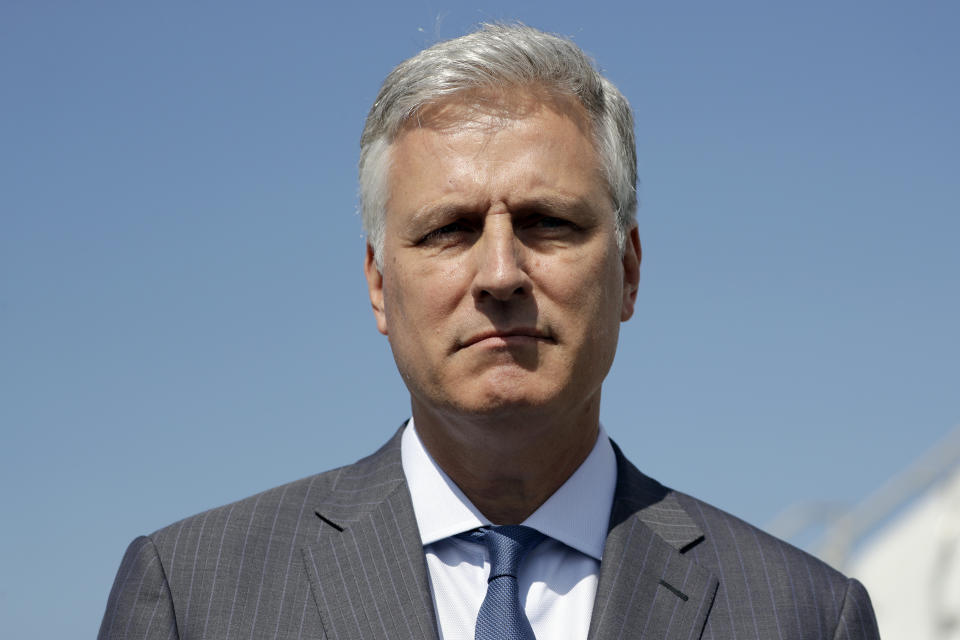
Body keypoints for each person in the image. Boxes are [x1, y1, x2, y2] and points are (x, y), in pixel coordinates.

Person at [99, 24, 880, 640]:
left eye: (548, 222)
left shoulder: (802, 616)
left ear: (629, 272)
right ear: (378, 284)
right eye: (448, 229)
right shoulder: (192, 597)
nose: (500, 273)